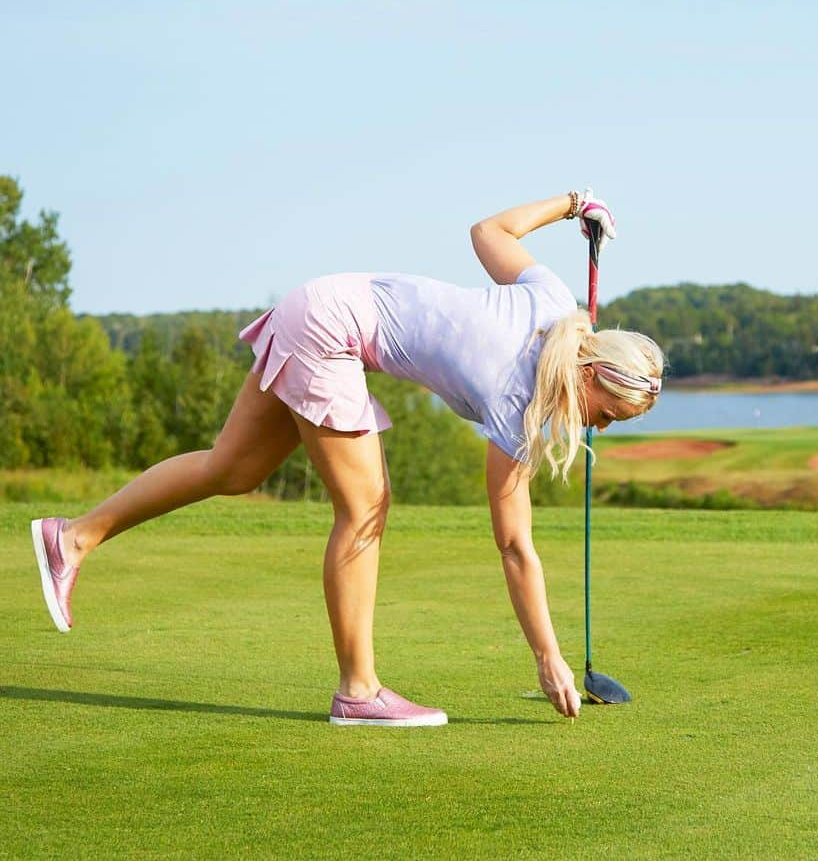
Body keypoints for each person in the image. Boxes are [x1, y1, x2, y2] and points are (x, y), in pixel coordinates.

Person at [30, 191, 664, 726]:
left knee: (233, 469)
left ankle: (73, 537)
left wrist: (573, 202)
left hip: (322, 303)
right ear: (592, 372)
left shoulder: (553, 299)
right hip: (330, 329)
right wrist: (548, 656)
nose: (599, 427)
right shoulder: (518, 398)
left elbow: (489, 230)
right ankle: (358, 693)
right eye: (607, 413)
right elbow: (514, 545)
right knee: (365, 507)